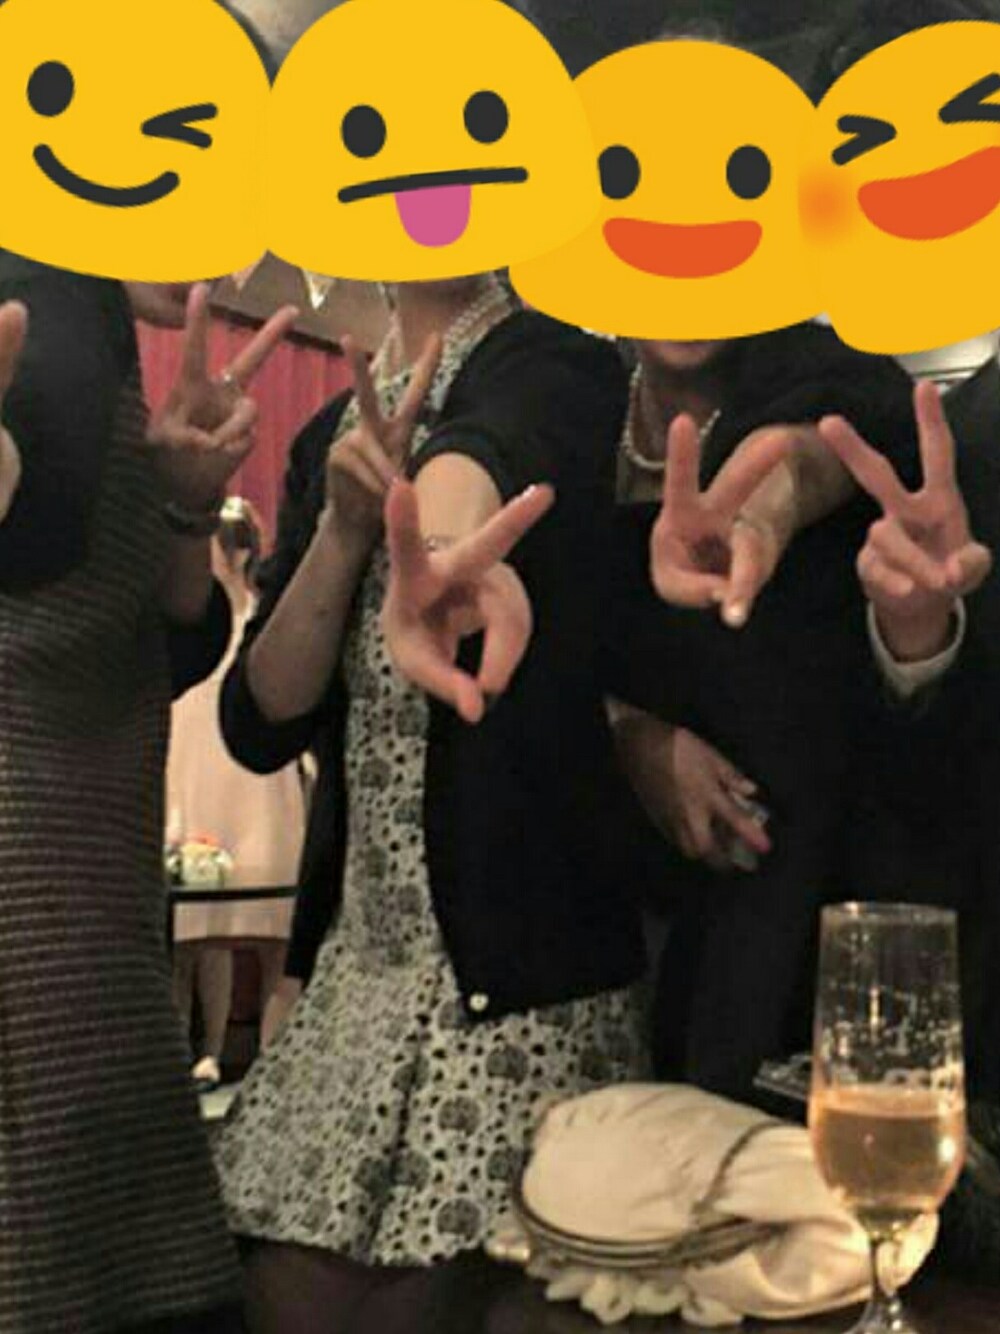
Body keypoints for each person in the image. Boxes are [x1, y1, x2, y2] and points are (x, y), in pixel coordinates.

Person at [214, 273, 650, 1292]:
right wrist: (344, 529)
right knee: (276, 1287)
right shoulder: (329, 435)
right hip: (356, 970)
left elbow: (497, 440)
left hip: (518, 980)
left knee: (438, 1300)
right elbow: (262, 719)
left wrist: (440, 544)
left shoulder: (565, 364)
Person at [0, 255, 296, 1334]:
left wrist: (182, 507)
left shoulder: (90, 326)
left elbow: (150, 642)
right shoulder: (37, 302)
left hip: (96, 908)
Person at [601, 324, 919, 1101]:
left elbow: (810, 454)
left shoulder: (828, 366)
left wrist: (757, 519)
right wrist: (627, 734)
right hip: (604, 936)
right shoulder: (577, 404)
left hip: (796, 927)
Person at [168, 499, 308, 1091]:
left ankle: (272, 1054)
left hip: (254, 786)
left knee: (269, 923)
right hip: (194, 777)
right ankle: (193, 1049)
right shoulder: (192, 631)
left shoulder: (258, 624)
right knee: (191, 930)